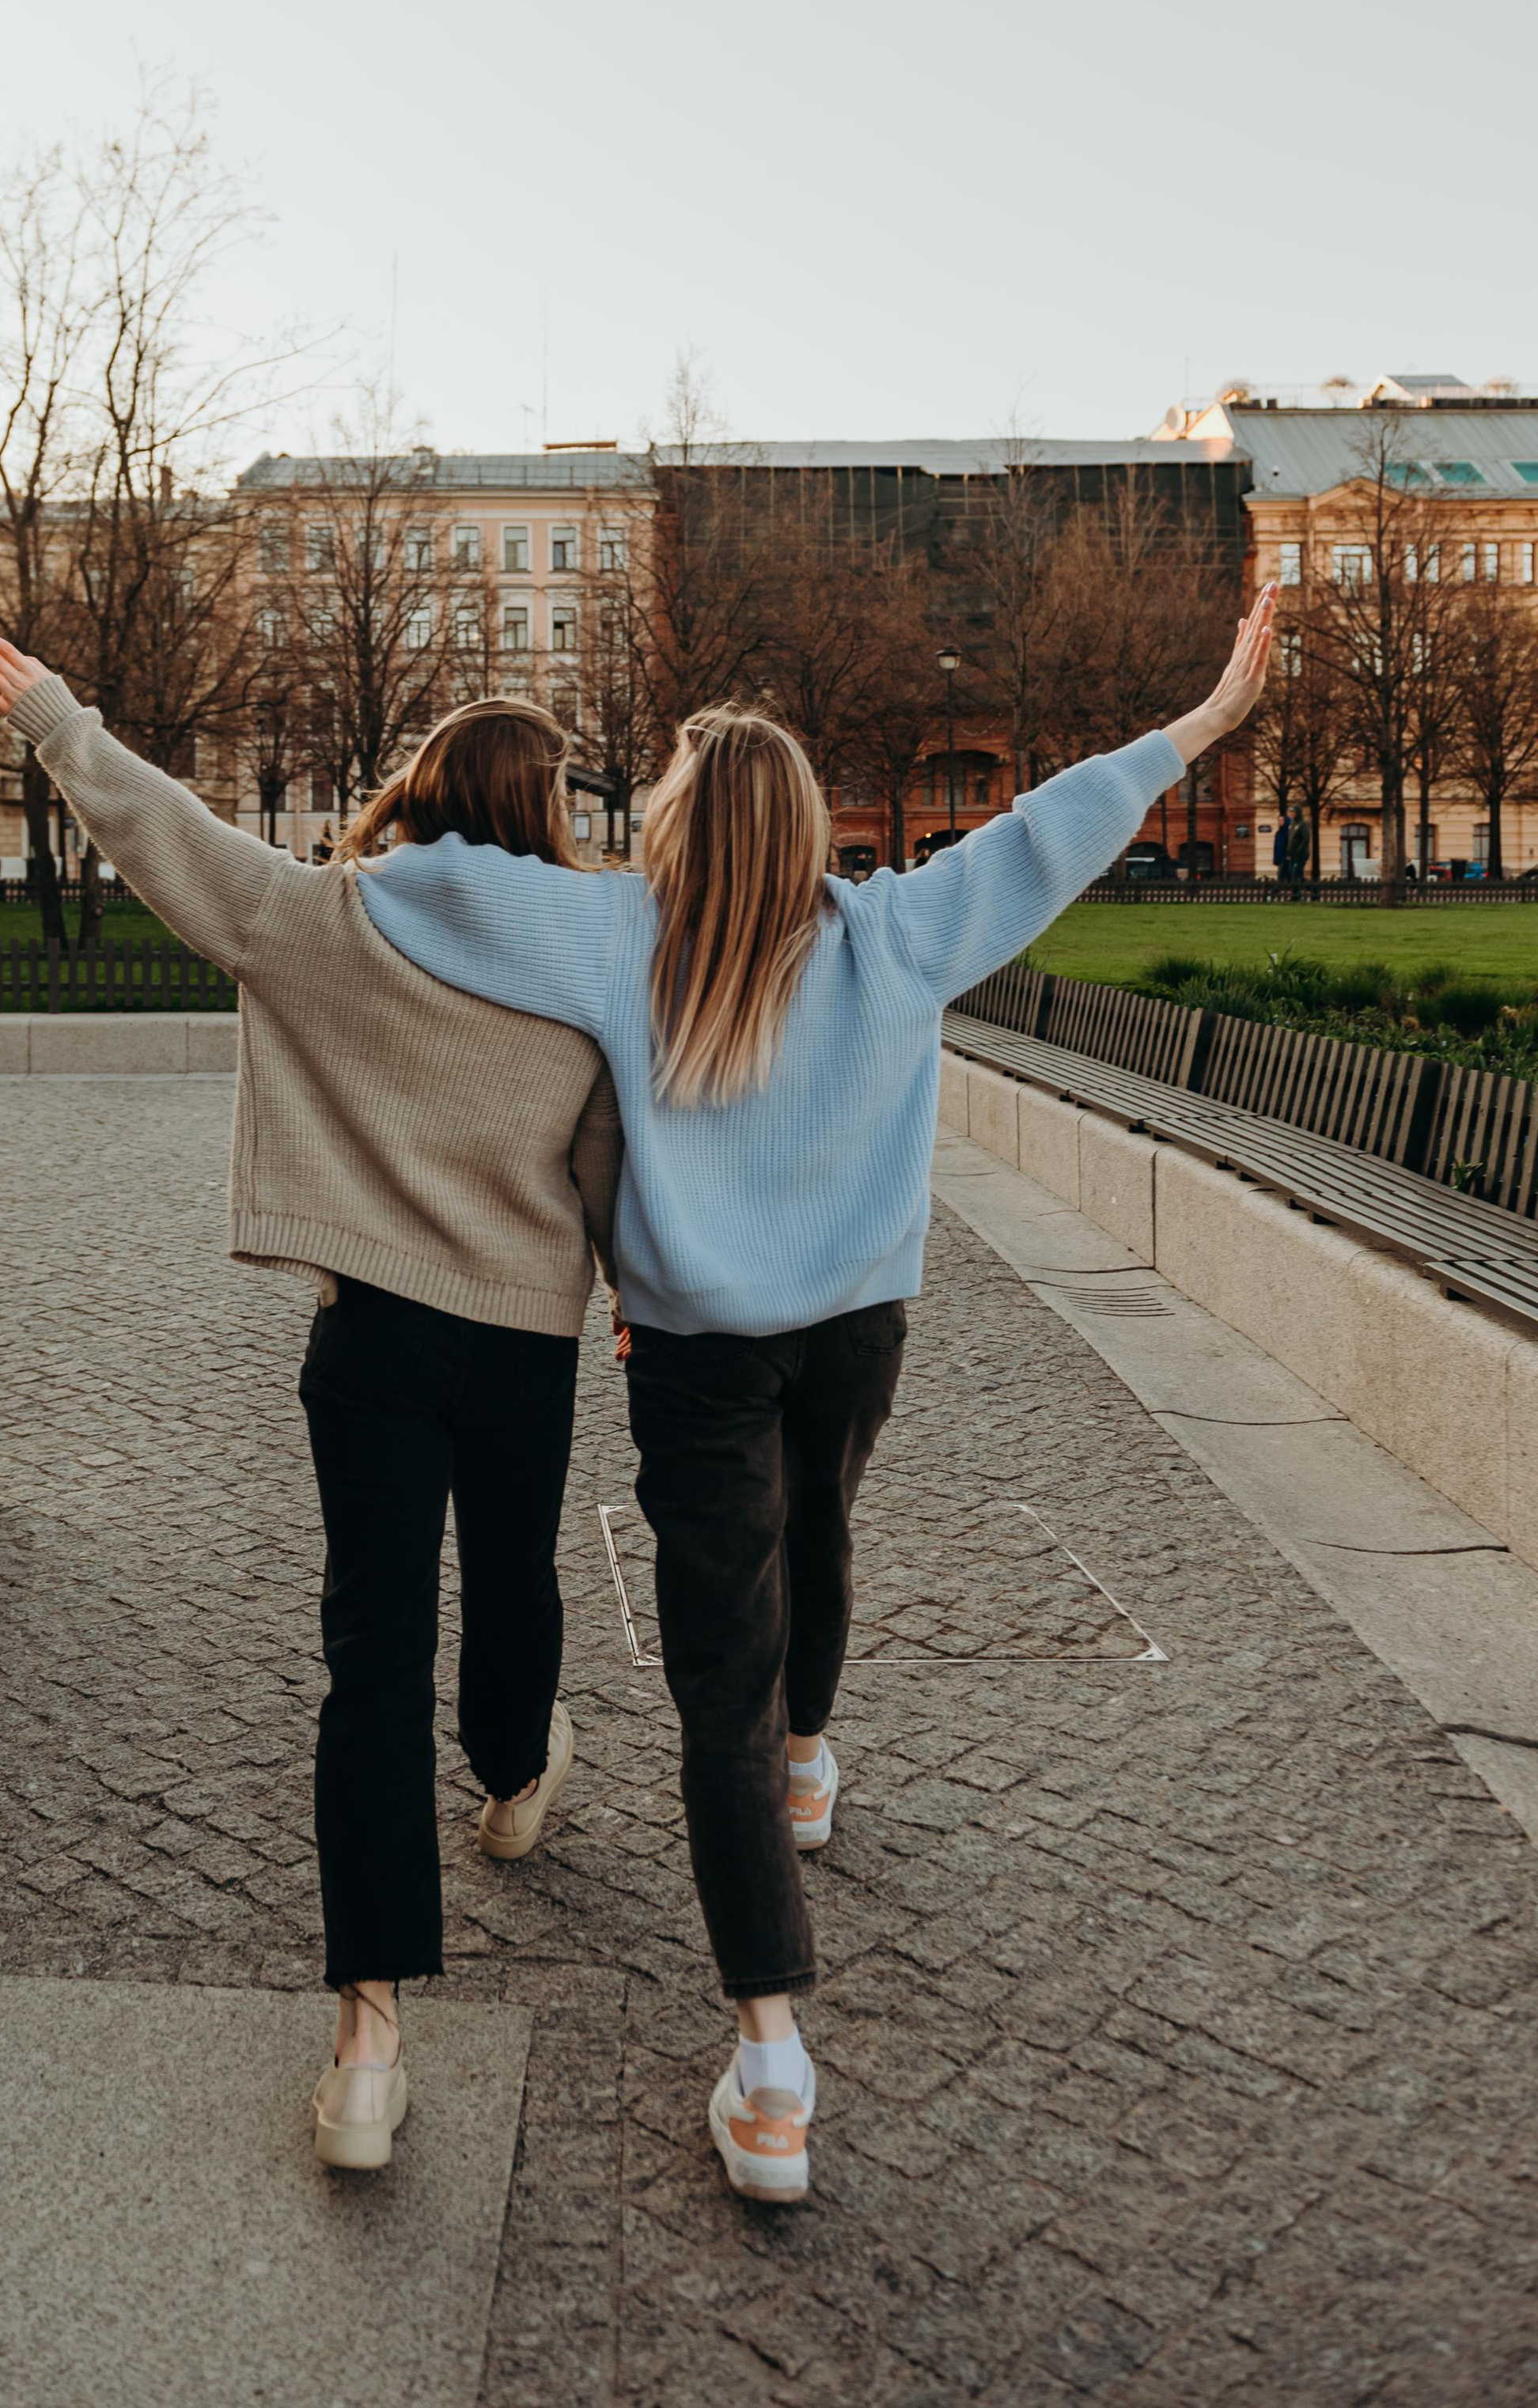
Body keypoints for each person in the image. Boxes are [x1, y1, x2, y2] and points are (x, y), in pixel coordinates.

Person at [354, 587, 1277, 2204]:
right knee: (822, 1526)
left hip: (701, 1348)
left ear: (671, 825)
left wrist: (353, 852)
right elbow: (1052, 829)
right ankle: (815, 1755)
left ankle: (768, 2062)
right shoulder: (894, 929)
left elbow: (433, 889)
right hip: (857, 1320)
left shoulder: (615, 930)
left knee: (721, 1670)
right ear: (802, 828)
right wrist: (1201, 719)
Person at [0, 632, 619, 2173]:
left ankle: (367, 2043)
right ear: (544, 815)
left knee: (369, 1666)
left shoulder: (327, 919)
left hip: (370, 1341)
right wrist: (642, 1303)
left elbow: (163, 836)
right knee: (513, 1584)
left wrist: (57, 715)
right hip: (522, 1334)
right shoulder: (589, 958)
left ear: (421, 793)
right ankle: (516, 1775)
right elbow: (608, 1161)